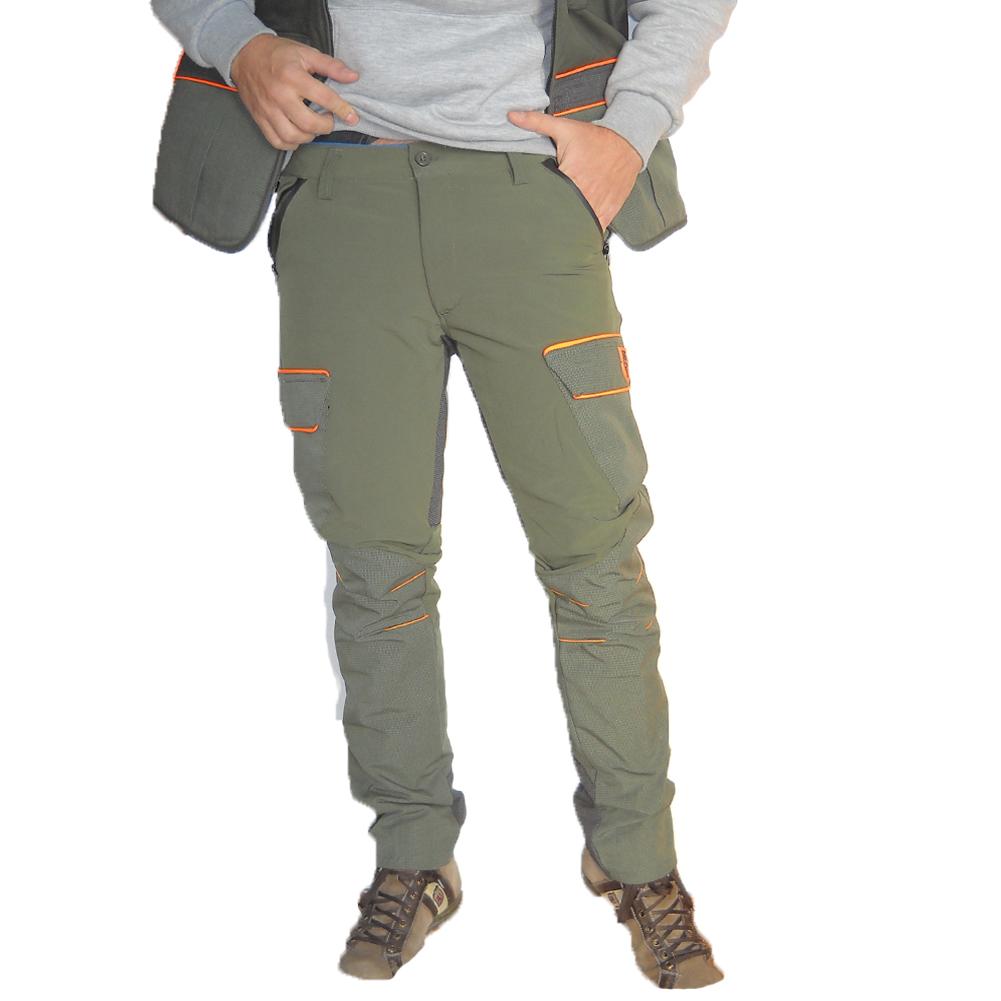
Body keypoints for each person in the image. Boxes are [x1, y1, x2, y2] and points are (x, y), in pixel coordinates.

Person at [150, 0, 736, 988]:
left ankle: (637, 860)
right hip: (343, 192)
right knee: (375, 564)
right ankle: (412, 855)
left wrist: (629, 131)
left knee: (594, 557)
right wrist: (235, 42)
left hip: (534, 187)